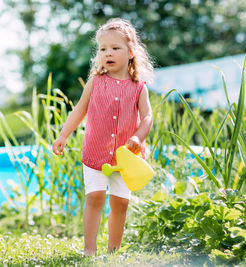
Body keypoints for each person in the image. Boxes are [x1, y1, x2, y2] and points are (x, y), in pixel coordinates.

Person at [52, 18, 154, 256]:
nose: (107, 53)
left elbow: (148, 117)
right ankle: (89, 250)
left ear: (130, 52)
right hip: (95, 152)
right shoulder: (96, 82)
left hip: (125, 157)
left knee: (120, 203)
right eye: (102, 48)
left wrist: (138, 138)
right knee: (95, 197)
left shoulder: (139, 86)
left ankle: (114, 251)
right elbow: (79, 110)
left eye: (115, 48)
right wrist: (63, 135)